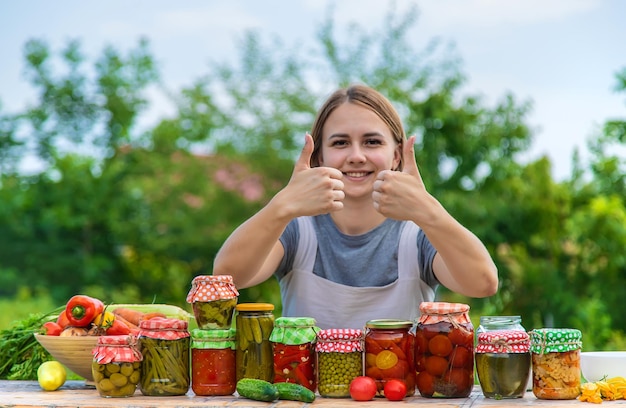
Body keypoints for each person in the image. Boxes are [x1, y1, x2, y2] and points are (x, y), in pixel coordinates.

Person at [213, 84, 498, 329]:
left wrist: (428, 209)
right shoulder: (296, 230)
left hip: (400, 394)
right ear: (319, 156)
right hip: (305, 393)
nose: (357, 156)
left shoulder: (419, 235)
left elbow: (482, 283)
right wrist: (281, 206)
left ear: (396, 155)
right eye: (340, 143)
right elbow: (226, 280)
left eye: (372, 142)